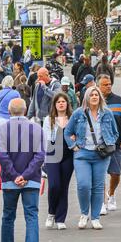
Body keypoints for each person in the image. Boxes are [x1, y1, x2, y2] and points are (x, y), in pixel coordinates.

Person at [0, 98, 45, 242]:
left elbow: (2, 155)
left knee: (8, 216)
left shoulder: (2, 129)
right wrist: (26, 175)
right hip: (31, 180)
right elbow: (40, 156)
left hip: (10, 180)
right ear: (25, 111)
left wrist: (15, 175)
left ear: (9, 111)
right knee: (31, 215)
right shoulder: (37, 128)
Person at [64, 87, 118, 230]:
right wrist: (73, 145)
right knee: (84, 185)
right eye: (91, 95)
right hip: (82, 154)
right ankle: (84, 214)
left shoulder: (107, 114)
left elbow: (115, 133)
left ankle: (95, 217)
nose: (94, 97)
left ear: (100, 97)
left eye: (96, 95)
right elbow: (67, 132)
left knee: (98, 187)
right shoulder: (78, 114)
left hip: (101, 155)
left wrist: (109, 143)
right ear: (87, 98)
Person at [96, 74, 121, 213]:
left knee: (115, 174)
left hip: (116, 145)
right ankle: (101, 203)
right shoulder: (94, 100)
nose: (108, 86)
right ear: (98, 86)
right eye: (105, 84)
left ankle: (111, 194)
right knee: (100, 174)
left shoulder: (119, 100)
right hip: (99, 145)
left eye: (109, 83)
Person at [43, 93, 74, 230]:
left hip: (68, 154)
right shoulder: (48, 120)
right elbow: (45, 140)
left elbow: (77, 135)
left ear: (67, 104)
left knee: (64, 186)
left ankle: (61, 218)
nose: (61, 104)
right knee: (54, 184)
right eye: (58, 102)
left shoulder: (73, 119)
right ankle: (51, 212)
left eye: (63, 101)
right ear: (54, 105)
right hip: (52, 154)